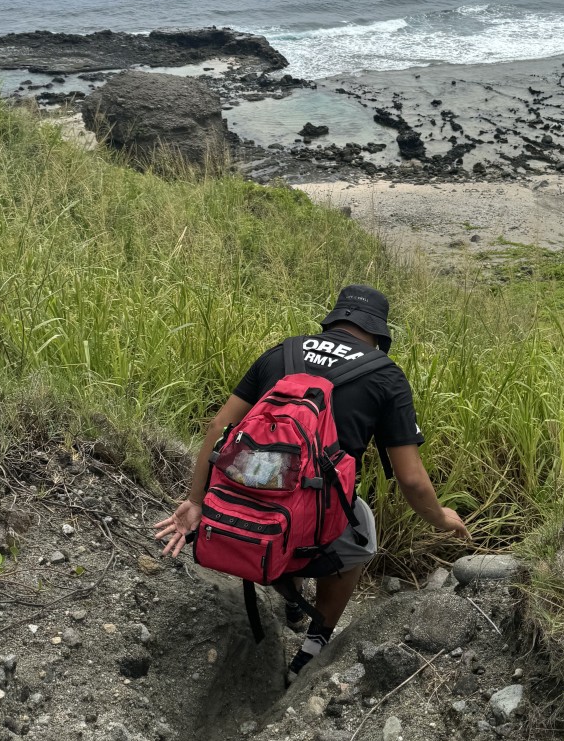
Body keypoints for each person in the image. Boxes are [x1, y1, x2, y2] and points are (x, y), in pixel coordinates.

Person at [155, 284, 469, 678]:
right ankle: (312, 647)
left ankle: (291, 593)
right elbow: (411, 477)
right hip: (307, 512)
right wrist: (440, 517)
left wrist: (196, 501)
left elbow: (219, 425)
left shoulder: (283, 351)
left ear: (332, 320)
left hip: (244, 491)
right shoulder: (385, 375)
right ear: (378, 335)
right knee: (360, 529)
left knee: (298, 495)